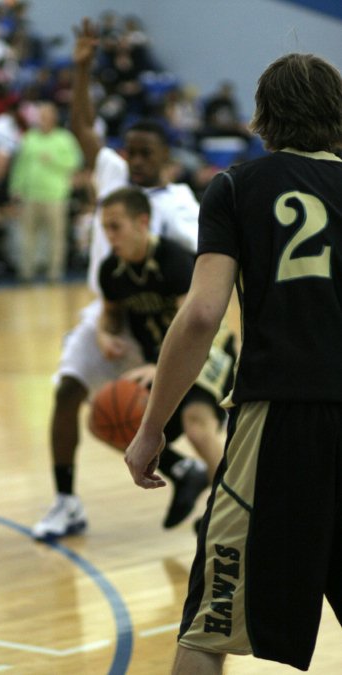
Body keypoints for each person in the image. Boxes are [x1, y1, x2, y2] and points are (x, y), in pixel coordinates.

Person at [125, 52, 342, 674]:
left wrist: (151, 430)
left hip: (280, 416)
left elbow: (200, 316)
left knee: (209, 624)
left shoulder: (236, 186)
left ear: (263, 118)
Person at [31, 18, 207, 541]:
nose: (134, 160)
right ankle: (66, 501)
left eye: (146, 154)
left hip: (159, 324)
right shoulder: (111, 172)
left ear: (167, 160)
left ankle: (219, 496)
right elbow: (84, 127)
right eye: (130, 151)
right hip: (108, 310)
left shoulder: (181, 206)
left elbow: (197, 288)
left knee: (191, 419)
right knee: (70, 394)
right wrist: (81, 70)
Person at [98, 186, 235, 490]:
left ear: (142, 222)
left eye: (115, 226)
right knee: (106, 415)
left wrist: (159, 367)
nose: (109, 235)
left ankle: (229, 506)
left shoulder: (172, 259)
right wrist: (104, 335)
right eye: (105, 227)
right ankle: (185, 471)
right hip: (160, 361)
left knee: (197, 424)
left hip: (209, 350)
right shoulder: (110, 271)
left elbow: (194, 329)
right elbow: (110, 315)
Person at [9, 101, 82, 282]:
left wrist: (53, 159)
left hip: (55, 195)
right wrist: (15, 187)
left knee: (56, 237)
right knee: (27, 236)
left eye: (46, 116)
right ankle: (26, 273)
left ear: (54, 118)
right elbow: (20, 165)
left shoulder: (64, 138)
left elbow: (75, 163)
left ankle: (54, 274)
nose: (42, 120)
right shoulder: (29, 138)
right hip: (30, 195)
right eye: (40, 116)